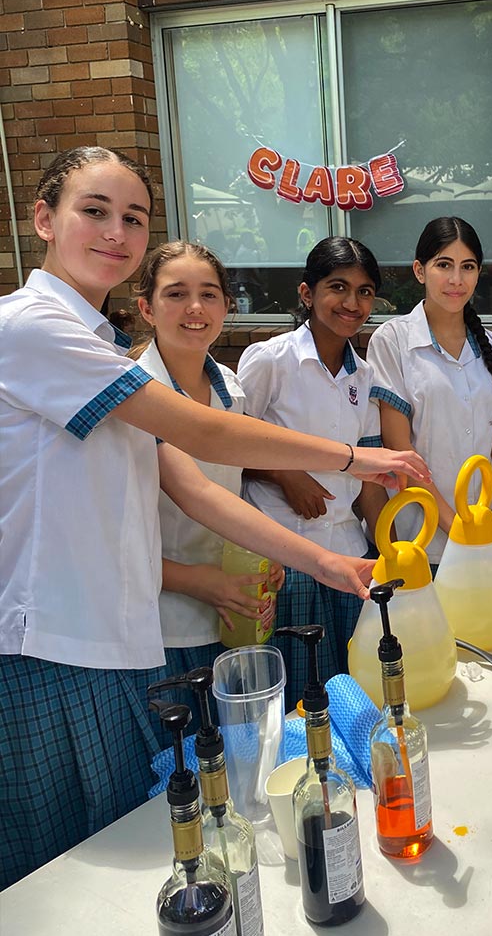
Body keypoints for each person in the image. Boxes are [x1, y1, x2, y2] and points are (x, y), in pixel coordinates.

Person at [0, 147, 429, 889]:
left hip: (105, 636)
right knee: (57, 875)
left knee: (132, 849)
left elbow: (199, 491)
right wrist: (357, 459)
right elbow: (207, 436)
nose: (116, 232)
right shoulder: (32, 326)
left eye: (132, 217)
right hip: (49, 643)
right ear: (44, 219)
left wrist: (327, 563)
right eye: (93, 212)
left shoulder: (103, 357)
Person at [238, 236, 388, 699]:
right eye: (338, 288)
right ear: (307, 294)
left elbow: (365, 479)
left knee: (351, 684)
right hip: (286, 556)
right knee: (296, 695)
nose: (352, 302)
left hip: (347, 552)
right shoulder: (271, 360)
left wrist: (389, 552)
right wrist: (285, 474)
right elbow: (226, 448)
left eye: (365, 292)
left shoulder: (363, 377)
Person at [133, 241, 284, 677]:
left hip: (234, 618)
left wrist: (263, 551)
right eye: (176, 294)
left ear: (227, 306)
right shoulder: (128, 396)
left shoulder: (231, 389)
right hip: (161, 625)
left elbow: (228, 494)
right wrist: (197, 581)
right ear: (147, 308)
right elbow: (110, 536)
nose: (195, 307)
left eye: (209, 294)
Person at [365, 216, 492, 564]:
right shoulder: (392, 341)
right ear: (419, 270)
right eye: (444, 265)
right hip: (419, 544)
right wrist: (459, 529)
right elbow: (400, 452)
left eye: (467, 267)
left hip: (482, 544)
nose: (456, 279)